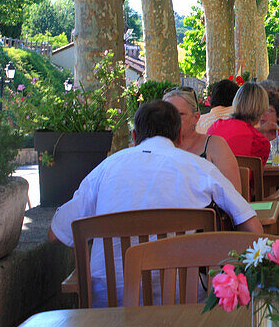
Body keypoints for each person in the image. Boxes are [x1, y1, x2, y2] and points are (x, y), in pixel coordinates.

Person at [49, 100, 261, 307]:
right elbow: (253, 228)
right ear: (179, 136)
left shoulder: (104, 170)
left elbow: (55, 234)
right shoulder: (200, 168)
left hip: (110, 306)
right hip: (183, 302)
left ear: (134, 136)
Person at [164, 87, 243, 192]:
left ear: (196, 117)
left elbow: (234, 194)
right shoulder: (157, 148)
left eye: (180, 114)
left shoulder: (215, 146)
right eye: (166, 115)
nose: (172, 119)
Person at [207, 83, 271, 162]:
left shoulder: (215, 127)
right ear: (262, 109)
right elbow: (255, 172)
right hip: (240, 174)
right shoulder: (260, 142)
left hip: (213, 174)